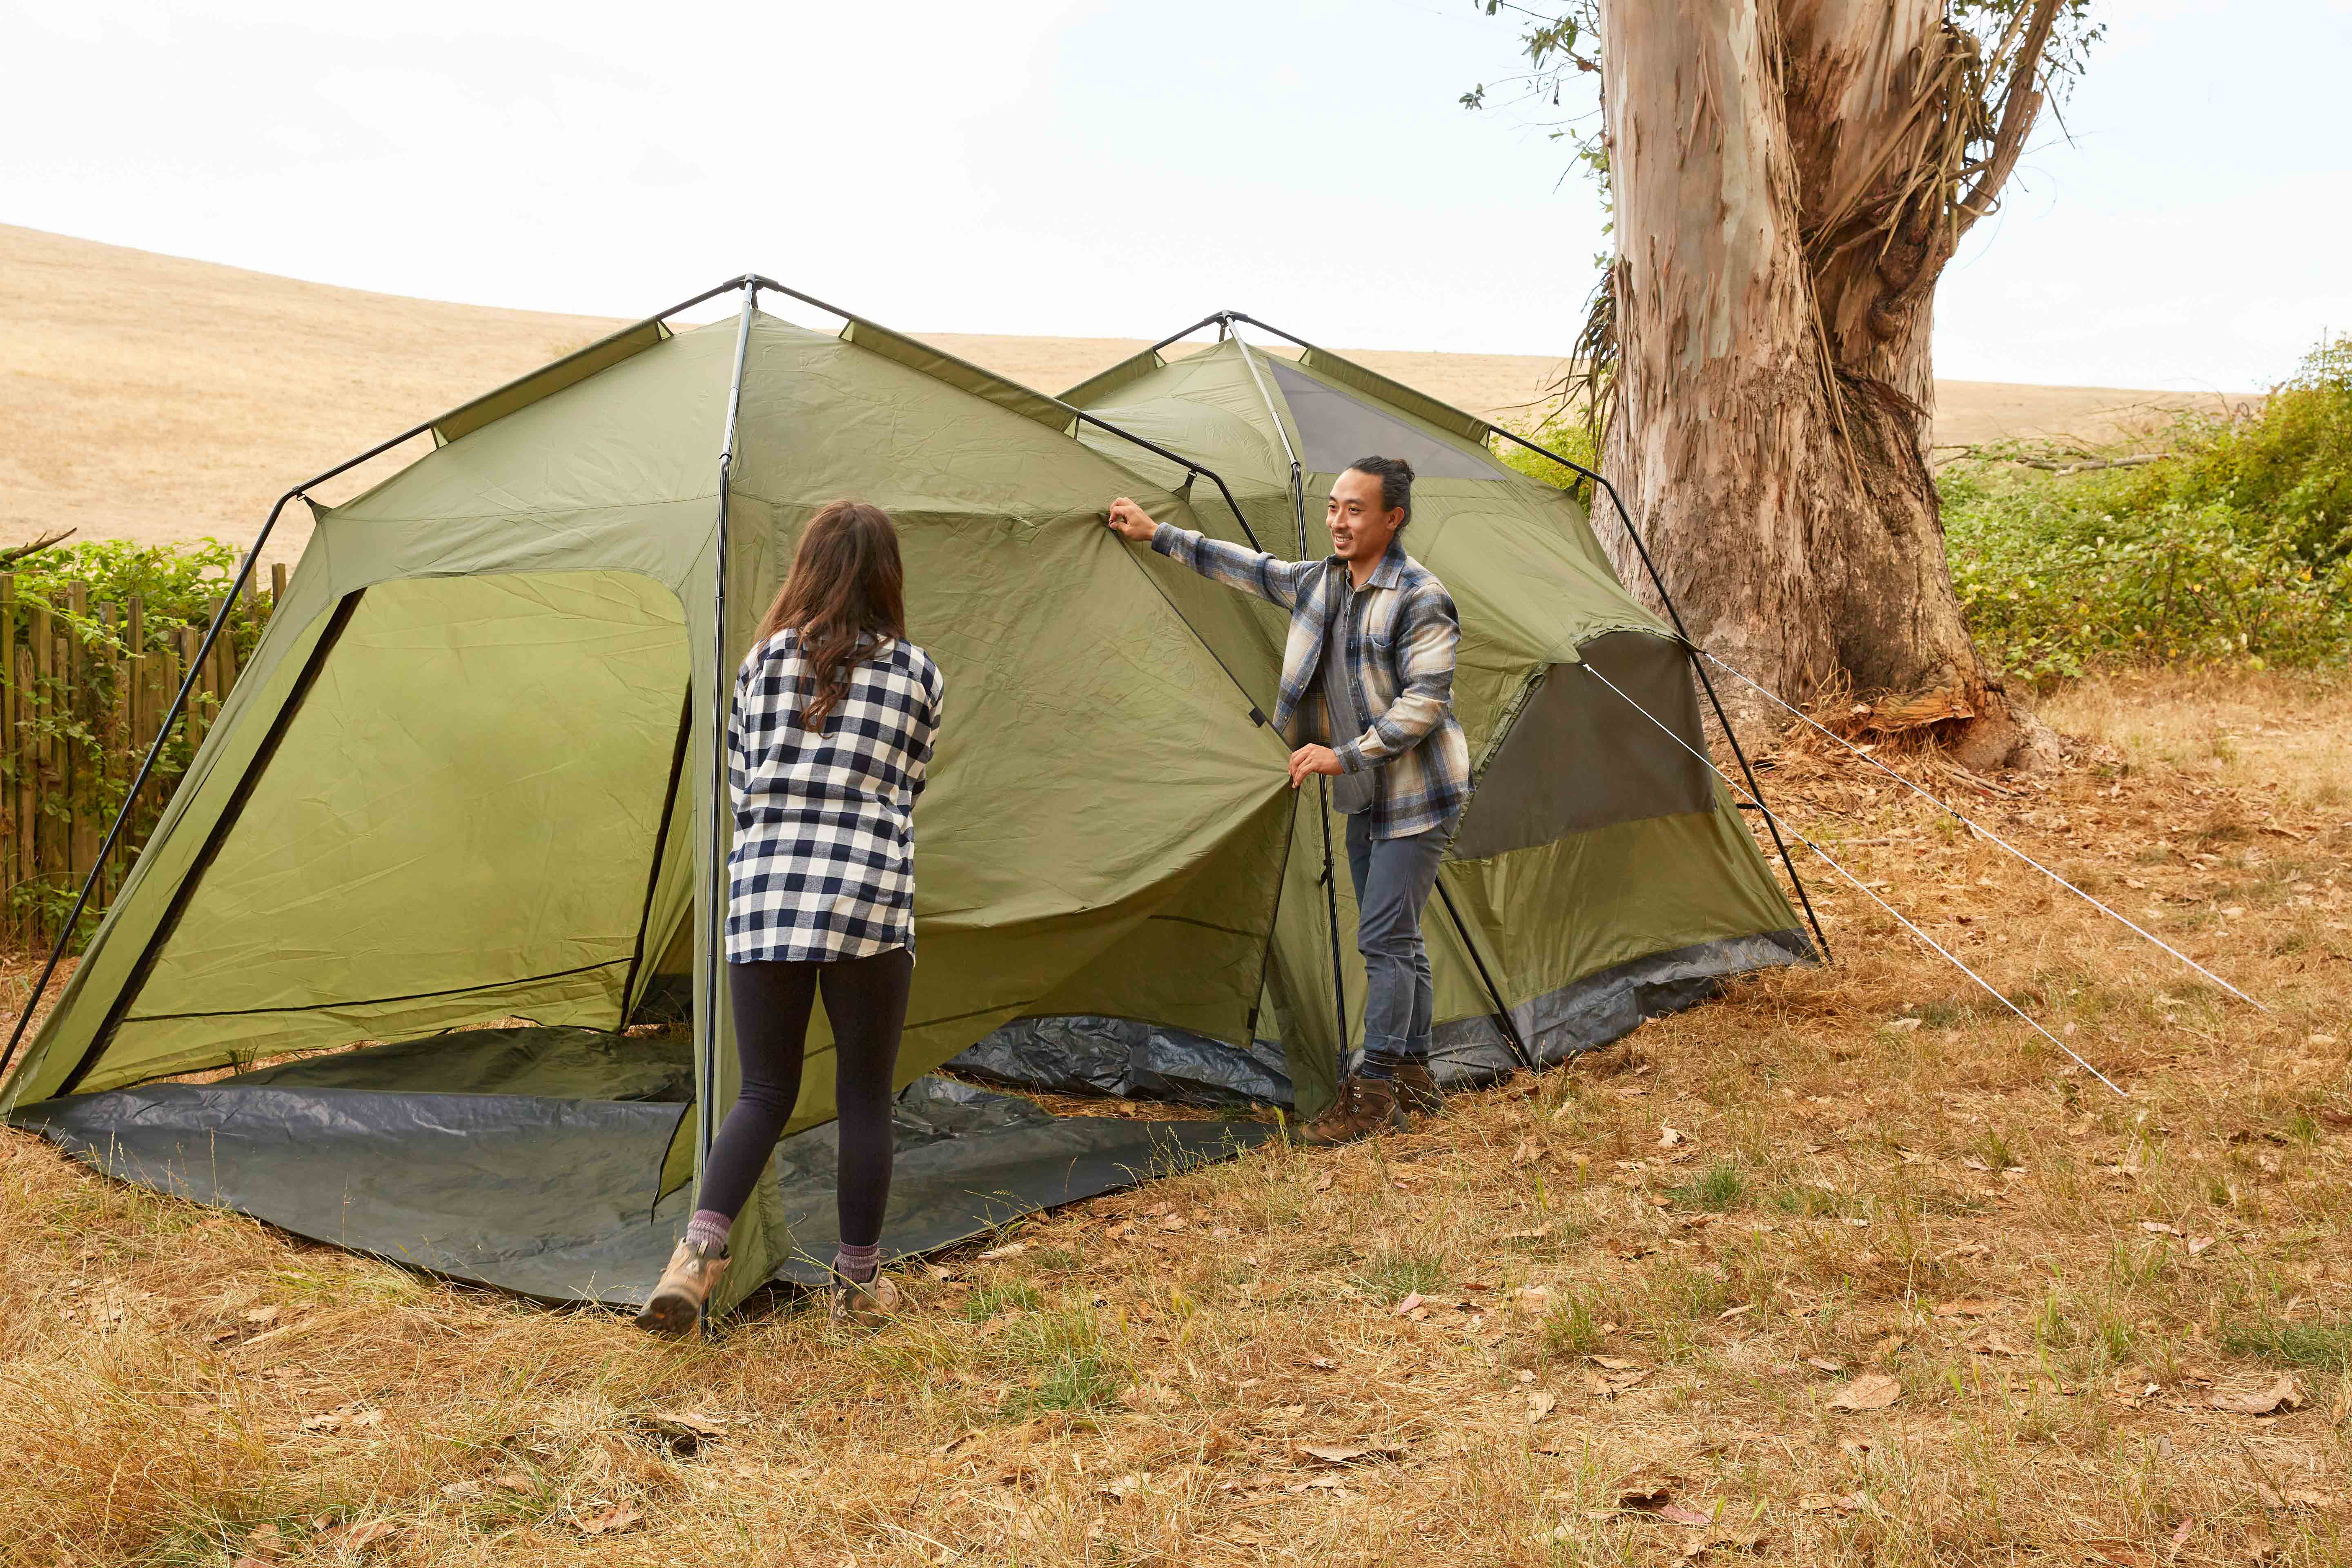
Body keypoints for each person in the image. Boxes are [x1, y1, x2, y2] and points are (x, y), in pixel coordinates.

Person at [637, 499, 945, 1336]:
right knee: (865, 1095)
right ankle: (857, 1286)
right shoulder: (918, 674)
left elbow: (741, 784)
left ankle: (693, 1261)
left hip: (766, 892)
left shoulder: (761, 663)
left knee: (764, 1090)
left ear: (806, 569)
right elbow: (909, 785)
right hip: (867, 896)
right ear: (888, 577)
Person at [1105, 457, 1468, 1145]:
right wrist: (1158, 534)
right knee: (1399, 936)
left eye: (1355, 509)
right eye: (1333, 507)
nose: (1338, 521)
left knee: (1384, 939)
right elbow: (1248, 567)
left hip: (1418, 793)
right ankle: (1414, 1075)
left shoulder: (1422, 597)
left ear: (1392, 518)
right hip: (1365, 793)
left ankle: (1376, 1094)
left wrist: (1343, 754)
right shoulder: (1321, 583)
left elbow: (1426, 703)